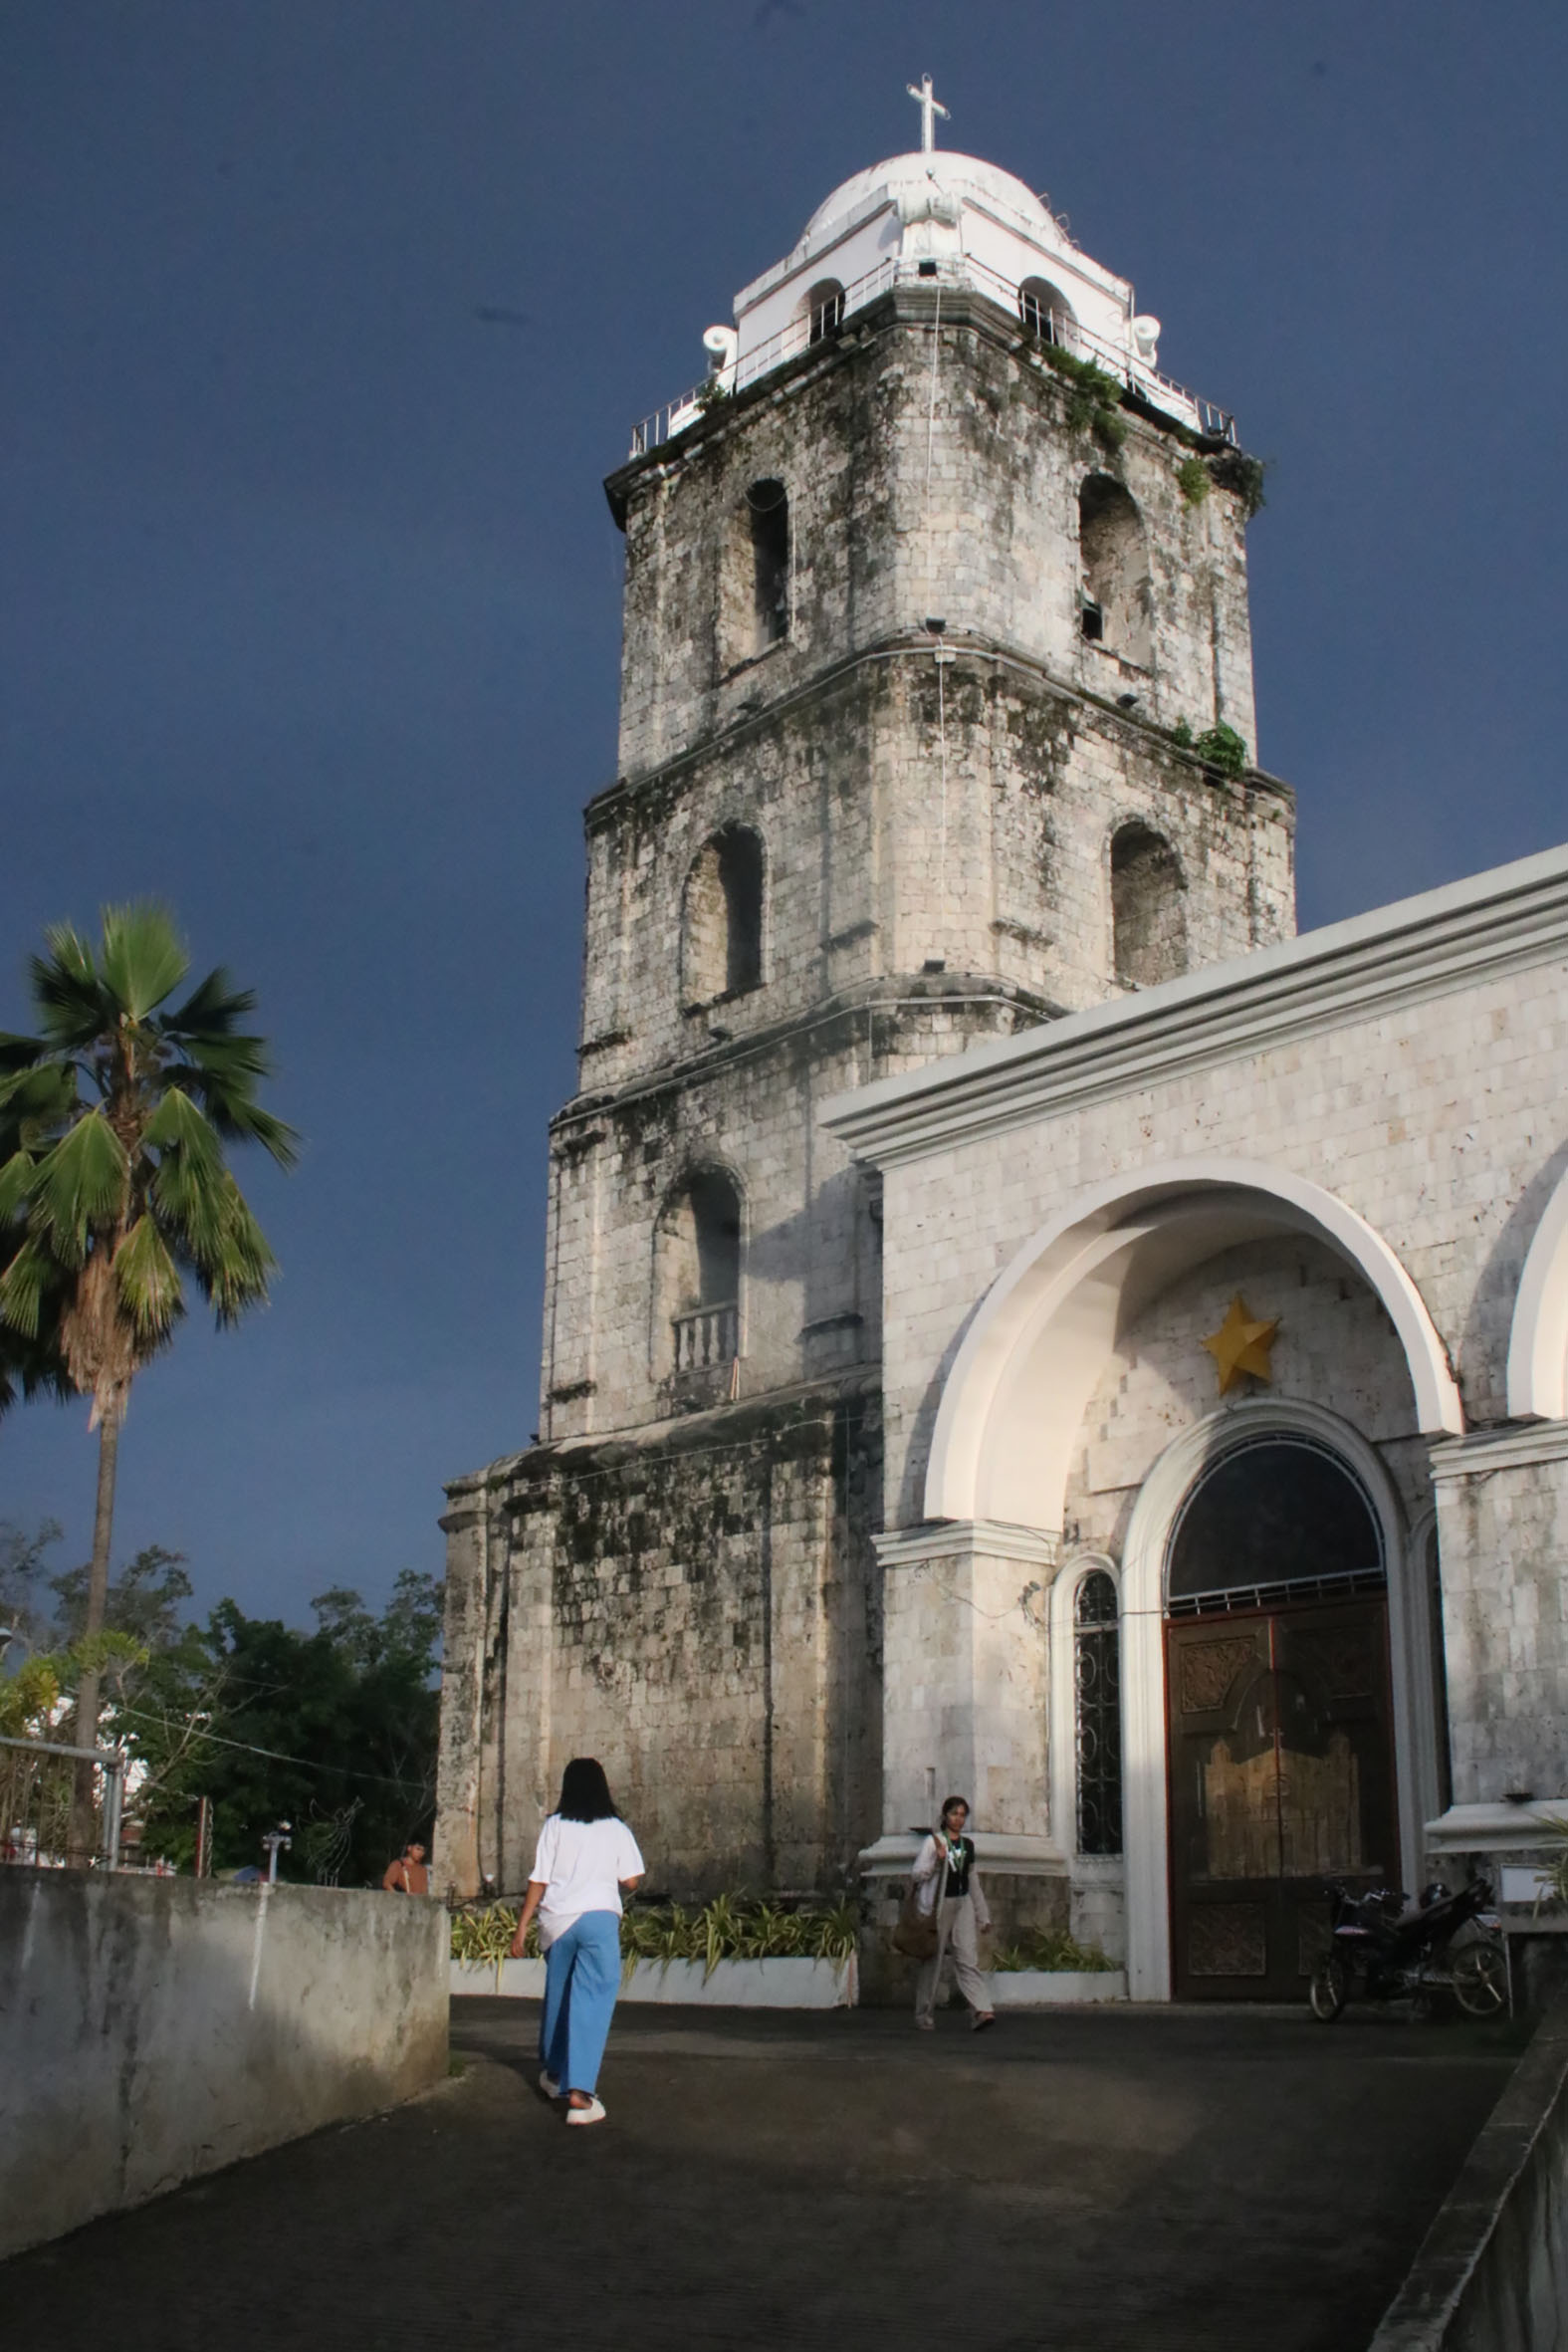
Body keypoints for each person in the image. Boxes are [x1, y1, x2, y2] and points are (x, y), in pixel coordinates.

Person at [510, 1758, 644, 2126]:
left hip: (558, 1921)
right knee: (593, 1999)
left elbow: (539, 1879)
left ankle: (554, 2074)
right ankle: (581, 2094)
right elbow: (632, 1880)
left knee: (560, 1997)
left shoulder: (554, 1825)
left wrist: (521, 1928)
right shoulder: (616, 1828)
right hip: (598, 1918)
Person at [911, 1794, 996, 2032]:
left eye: (962, 1815)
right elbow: (916, 1873)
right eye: (954, 1814)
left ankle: (981, 2010)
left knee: (967, 1957)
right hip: (939, 1904)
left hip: (962, 1902)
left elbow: (972, 1880)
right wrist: (936, 1863)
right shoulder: (934, 1842)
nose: (958, 1819)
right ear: (945, 1816)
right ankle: (924, 2014)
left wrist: (983, 1915)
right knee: (933, 1960)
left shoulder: (968, 1845)